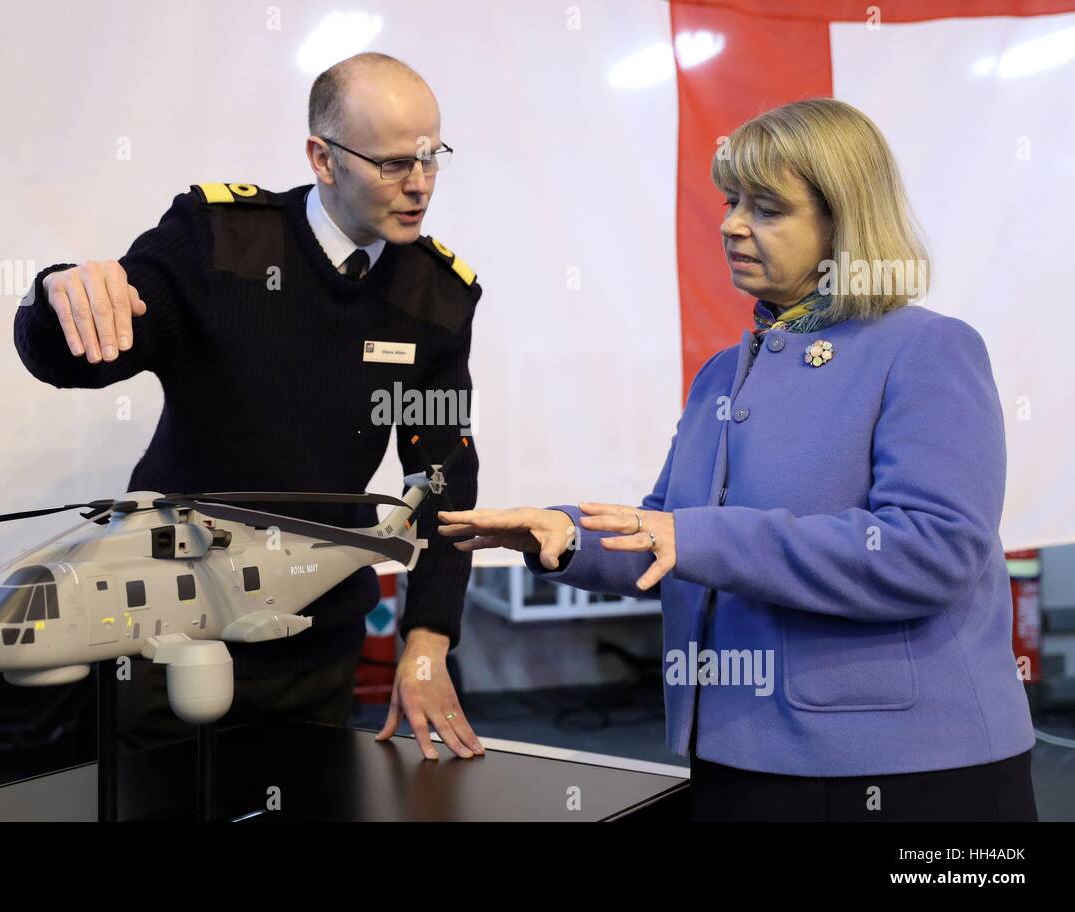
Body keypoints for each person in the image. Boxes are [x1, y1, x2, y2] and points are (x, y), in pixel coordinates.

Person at [438, 98, 1036, 819]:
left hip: (908, 774)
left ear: (843, 223)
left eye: (767, 207)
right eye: (731, 201)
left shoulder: (928, 349)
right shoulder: (724, 371)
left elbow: (932, 550)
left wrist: (697, 538)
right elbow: (667, 531)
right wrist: (565, 537)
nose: (730, 224)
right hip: (737, 755)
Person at [14, 53, 484, 761]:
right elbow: (78, 357)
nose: (419, 184)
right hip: (169, 637)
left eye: (430, 157)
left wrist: (429, 637)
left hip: (315, 649)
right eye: (392, 164)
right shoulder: (222, 244)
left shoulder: (434, 297)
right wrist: (57, 297)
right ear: (322, 159)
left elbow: (444, 474)